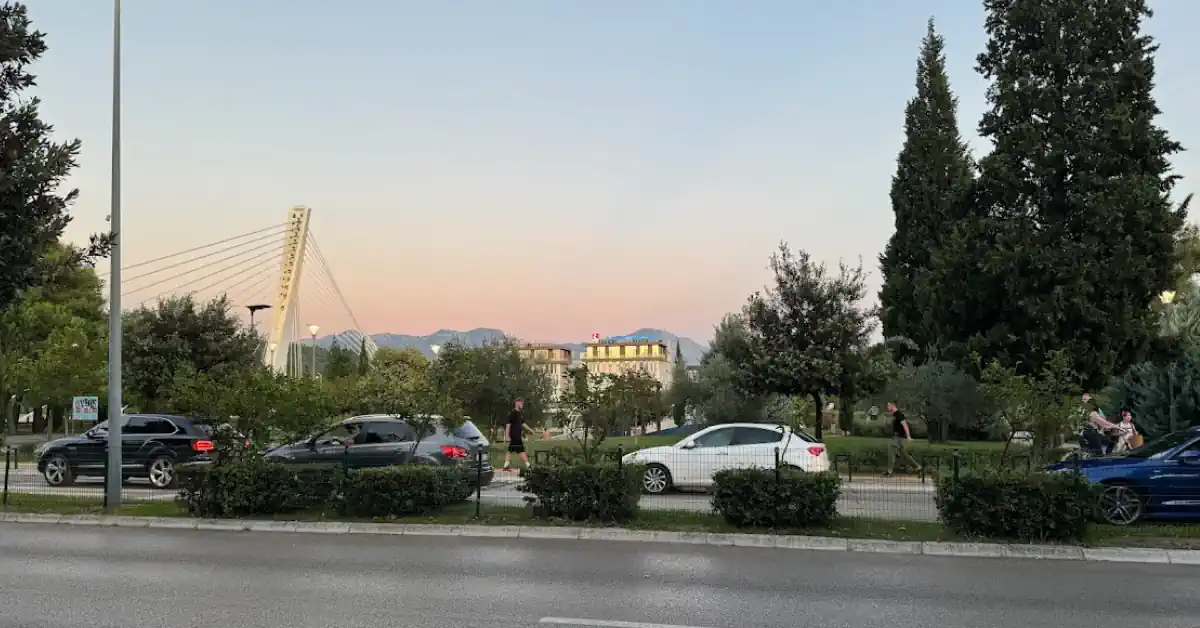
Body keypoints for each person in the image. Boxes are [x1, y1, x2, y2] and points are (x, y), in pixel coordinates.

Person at [885, 402, 921, 476]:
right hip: (899, 438)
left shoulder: (898, 414)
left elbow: (905, 425)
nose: (887, 407)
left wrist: (908, 436)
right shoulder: (895, 415)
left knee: (891, 451)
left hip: (897, 438)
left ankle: (889, 472)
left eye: (888, 406)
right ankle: (918, 467)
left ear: (892, 405)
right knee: (904, 454)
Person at [501, 399, 533, 472]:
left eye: (523, 403)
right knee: (521, 451)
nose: (522, 405)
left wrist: (530, 430)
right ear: (517, 403)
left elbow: (523, 423)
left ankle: (505, 466)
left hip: (517, 436)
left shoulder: (519, 413)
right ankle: (528, 466)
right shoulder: (513, 413)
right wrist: (507, 436)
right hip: (514, 436)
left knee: (510, 450)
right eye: (521, 403)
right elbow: (508, 425)